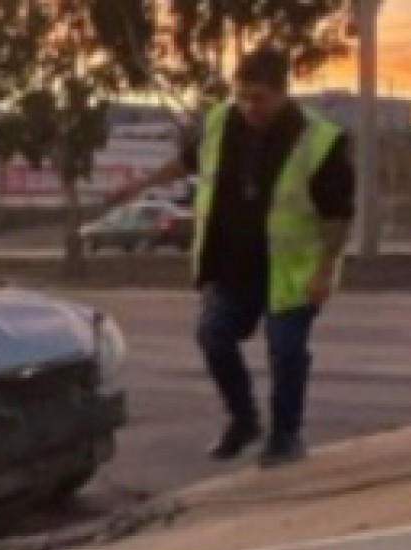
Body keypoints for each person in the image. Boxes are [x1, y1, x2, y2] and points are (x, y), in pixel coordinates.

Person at [107, 47, 356, 466]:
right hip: (232, 265)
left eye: (257, 98)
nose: (248, 107)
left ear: (282, 93)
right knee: (213, 336)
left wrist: (324, 271)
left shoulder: (320, 140)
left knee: (286, 349)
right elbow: (186, 162)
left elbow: (337, 217)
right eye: (241, 96)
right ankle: (243, 420)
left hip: (290, 272)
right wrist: (139, 187)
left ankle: (285, 436)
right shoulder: (222, 122)